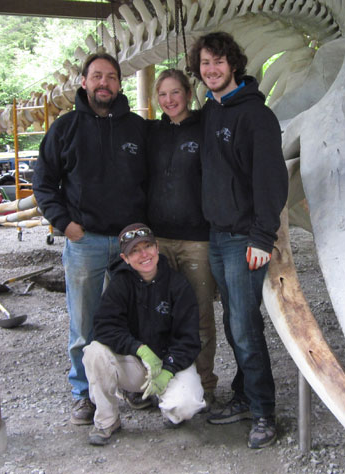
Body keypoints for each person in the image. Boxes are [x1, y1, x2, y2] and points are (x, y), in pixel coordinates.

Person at [32, 52, 147, 425]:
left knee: (131, 319)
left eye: (111, 77)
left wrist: (145, 231)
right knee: (83, 324)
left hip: (129, 244)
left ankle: (129, 384)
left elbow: (155, 180)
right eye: (97, 76)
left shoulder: (137, 128)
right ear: (84, 82)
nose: (104, 83)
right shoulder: (64, 129)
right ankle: (84, 393)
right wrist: (64, 224)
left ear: (119, 83)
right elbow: (43, 182)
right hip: (85, 243)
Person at [188, 32, 289, 449]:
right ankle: (245, 396)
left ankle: (265, 412)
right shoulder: (211, 112)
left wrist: (262, 236)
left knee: (245, 327)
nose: (211, 69)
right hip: (216, 235)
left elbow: (271, 180)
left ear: (233, 64)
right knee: (235, 322)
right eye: (205, 64)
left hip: (244, 239)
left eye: (218, 62)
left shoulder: (255, 116)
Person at [83, 223, 206, 445]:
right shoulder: (120, 284)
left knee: (187, 404)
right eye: (135, 251)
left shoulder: (178, 284)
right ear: (125, 258)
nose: (144, 255)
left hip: (169, 364)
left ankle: (168, 405)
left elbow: (189, 339)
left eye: (147, 246)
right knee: (94, 353)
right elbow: (104, 326)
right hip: (137, 363)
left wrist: (168, 369)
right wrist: (138, 348)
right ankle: (107, 420)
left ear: (157, 248)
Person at [144, 69, 218, 408]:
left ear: (188, 94)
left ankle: (205, 383)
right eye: (163, 94)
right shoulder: (152, 133)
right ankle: (163, 382)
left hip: (196, 241)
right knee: (160, 314)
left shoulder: (205, 127)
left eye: (175, 93)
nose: (169, 100)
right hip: (158, 240)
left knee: (200, 314)